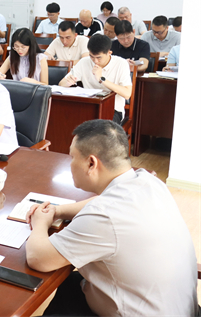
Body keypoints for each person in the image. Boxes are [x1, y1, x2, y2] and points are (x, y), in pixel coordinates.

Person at [25, 119, 197, 316]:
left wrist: (40, 223)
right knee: (70, 283)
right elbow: (101, 203)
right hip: (179, 308)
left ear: (91, 163)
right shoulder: (148, 181)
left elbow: (38, 258)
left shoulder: (104, 216)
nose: (70, 163)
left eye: (72, 156)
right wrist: (58, 211)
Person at [59, 35, 132, 125]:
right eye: (92, 56)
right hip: (88, 106)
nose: (95, 61)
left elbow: (127, 94)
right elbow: (61, 83)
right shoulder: (84, 62)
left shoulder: (121, 63)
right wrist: (68, 82)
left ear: (109, 53)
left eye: (99, 57)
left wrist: (101, 79)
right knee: (66, 119)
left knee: (102, 127)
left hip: (113, 109)